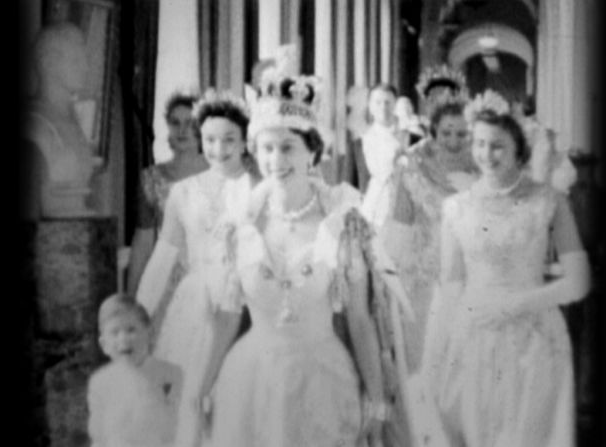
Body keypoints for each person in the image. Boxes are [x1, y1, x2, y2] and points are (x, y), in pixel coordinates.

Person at [199, 75, 413, 447]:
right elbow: (228, 315)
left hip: (323, 381)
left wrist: (378, 401)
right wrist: (202, 386)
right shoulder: (241, 223)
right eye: (266, 148)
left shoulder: (341, 224)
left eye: (288, 148)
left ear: (312, 152)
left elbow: (360, 321)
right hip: (250, 383)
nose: (276, 160)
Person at [417, 90, 591, 447]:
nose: (485, 154)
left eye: (497, 145)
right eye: (478, 143)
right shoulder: (457, 208)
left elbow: (579, 282)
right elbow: (451, 287)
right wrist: (434, 358)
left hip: (536, 339)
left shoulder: (550, 201)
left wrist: (515, 305)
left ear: (518, 147)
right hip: (475, 338)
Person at [135, 89, 259, 447]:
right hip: (192, 306)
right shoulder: (183, 192)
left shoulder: (255, 188)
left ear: (244, 141)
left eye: (228, 140)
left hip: (244, 306)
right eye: (210, 140)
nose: (218, 150)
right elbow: (163, 257)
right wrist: (141, 317)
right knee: (186, 402)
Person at [379, 68, 478, 374]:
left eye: (460, 134)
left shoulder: (482, 166)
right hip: (423, 280)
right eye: (445, 132)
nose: (452, 140)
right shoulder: (410, 165)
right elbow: (398, 230)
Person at [126, 93, 209, 296]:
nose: (182, 130)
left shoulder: (220, 173)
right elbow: (143, 243)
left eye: (190, 123)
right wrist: (130, 299)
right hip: (167, 284)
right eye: (175, 122)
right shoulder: (151, 179)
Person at [25, 22, 102, 218]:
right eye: (76, 60)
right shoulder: (35, 124)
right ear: (49, 64)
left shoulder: (74, 120)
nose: (86, 67)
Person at [87, 294, 184, 447]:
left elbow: (180, 426)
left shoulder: (170, 374)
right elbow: (99, 435)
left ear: (149, 334)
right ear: (104, 344)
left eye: (131, 330)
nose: (124, 339)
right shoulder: (100, 382)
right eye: (115, 332)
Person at [358, 83, 412, 225]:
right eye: (378, 102)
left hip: (410, 195)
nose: (383, 107)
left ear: (395, 104)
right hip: (380, 199)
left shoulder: (409, 133)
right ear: (370, 106)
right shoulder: (366, 139)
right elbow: (379, 172)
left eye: (388, 102)